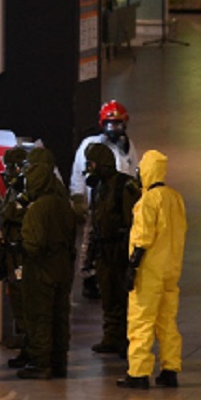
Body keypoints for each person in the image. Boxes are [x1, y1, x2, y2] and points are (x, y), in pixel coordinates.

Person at [118, 150, 187, 390]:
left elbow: (142, 238)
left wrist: (132, 267)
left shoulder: (146, 202)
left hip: (149, 270)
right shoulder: (175, 198)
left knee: (141, 321)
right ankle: (170, 369)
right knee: (167, 320)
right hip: (171, 268)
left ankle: (138, 373)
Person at [70, 100, 140, 299]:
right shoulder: (91, 146)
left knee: (119, 241)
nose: (114, 129)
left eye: (118, 125)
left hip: (121, 203)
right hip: (97, 202)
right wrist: (77, 197)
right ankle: (89, 279)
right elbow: (78, 173)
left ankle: (117, 274)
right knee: (92, 241)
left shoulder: (128, 146)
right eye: (110, 125)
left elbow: (134, 170)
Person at [17, 155, 77, 380]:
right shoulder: (63, 204)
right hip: (63, 266)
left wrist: (20, 244)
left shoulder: (37, 209)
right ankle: (58, 362)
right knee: (60, 315)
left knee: (39, 315)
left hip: (41, 268)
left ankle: (40, 364)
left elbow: (33, 245)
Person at [85, 143, 141, 356]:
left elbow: (133, 222)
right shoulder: (99, 188)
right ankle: (111, 337)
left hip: (119, 249)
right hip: (104, 249)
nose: (89, 168)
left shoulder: (124, 187)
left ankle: (128, 340)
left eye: (92, 163)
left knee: (123, 296)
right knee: (108, 295)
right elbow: (95, 221)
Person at [0, 146, 30, 366]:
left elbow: (12, 213)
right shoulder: (12, 190)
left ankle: (30, 348)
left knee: (24, 303)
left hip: (21, 258)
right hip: (11, 255)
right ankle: (25, 347)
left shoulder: (27, 192)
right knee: (17, 303)